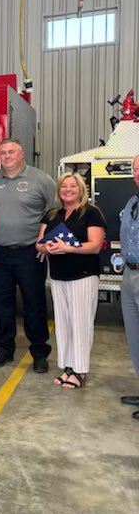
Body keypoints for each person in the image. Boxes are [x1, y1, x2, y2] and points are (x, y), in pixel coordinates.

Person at [0, 138, 56, 372]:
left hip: (31, 254)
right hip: (0, 254)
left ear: (21, 154)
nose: (7, 156)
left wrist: (47, 242)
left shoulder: (41, 179)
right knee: (2, 304)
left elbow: (59, 211)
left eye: (11, 152)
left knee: (34, 304)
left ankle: (39, 353)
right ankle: (4, 349)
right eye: (3, 153)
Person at [36, 172, 105, 389]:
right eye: (64, 186)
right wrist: (46, 248)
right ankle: (67, 367)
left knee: (80, 323)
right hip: (58, 277)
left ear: (81, 189)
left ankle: (80, 370)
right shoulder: (52, 214)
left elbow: (95, 245)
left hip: (83, 276)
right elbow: (39, 243)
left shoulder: (91, 213)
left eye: (73, 186)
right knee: (64, 324)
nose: (68, 190)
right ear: (59, 190)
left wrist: (67, 248)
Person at [119, 154, 139, 420]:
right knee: (134, 337)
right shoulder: (132, 202)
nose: (138, 173)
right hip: (130, 273)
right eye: (135, 169)